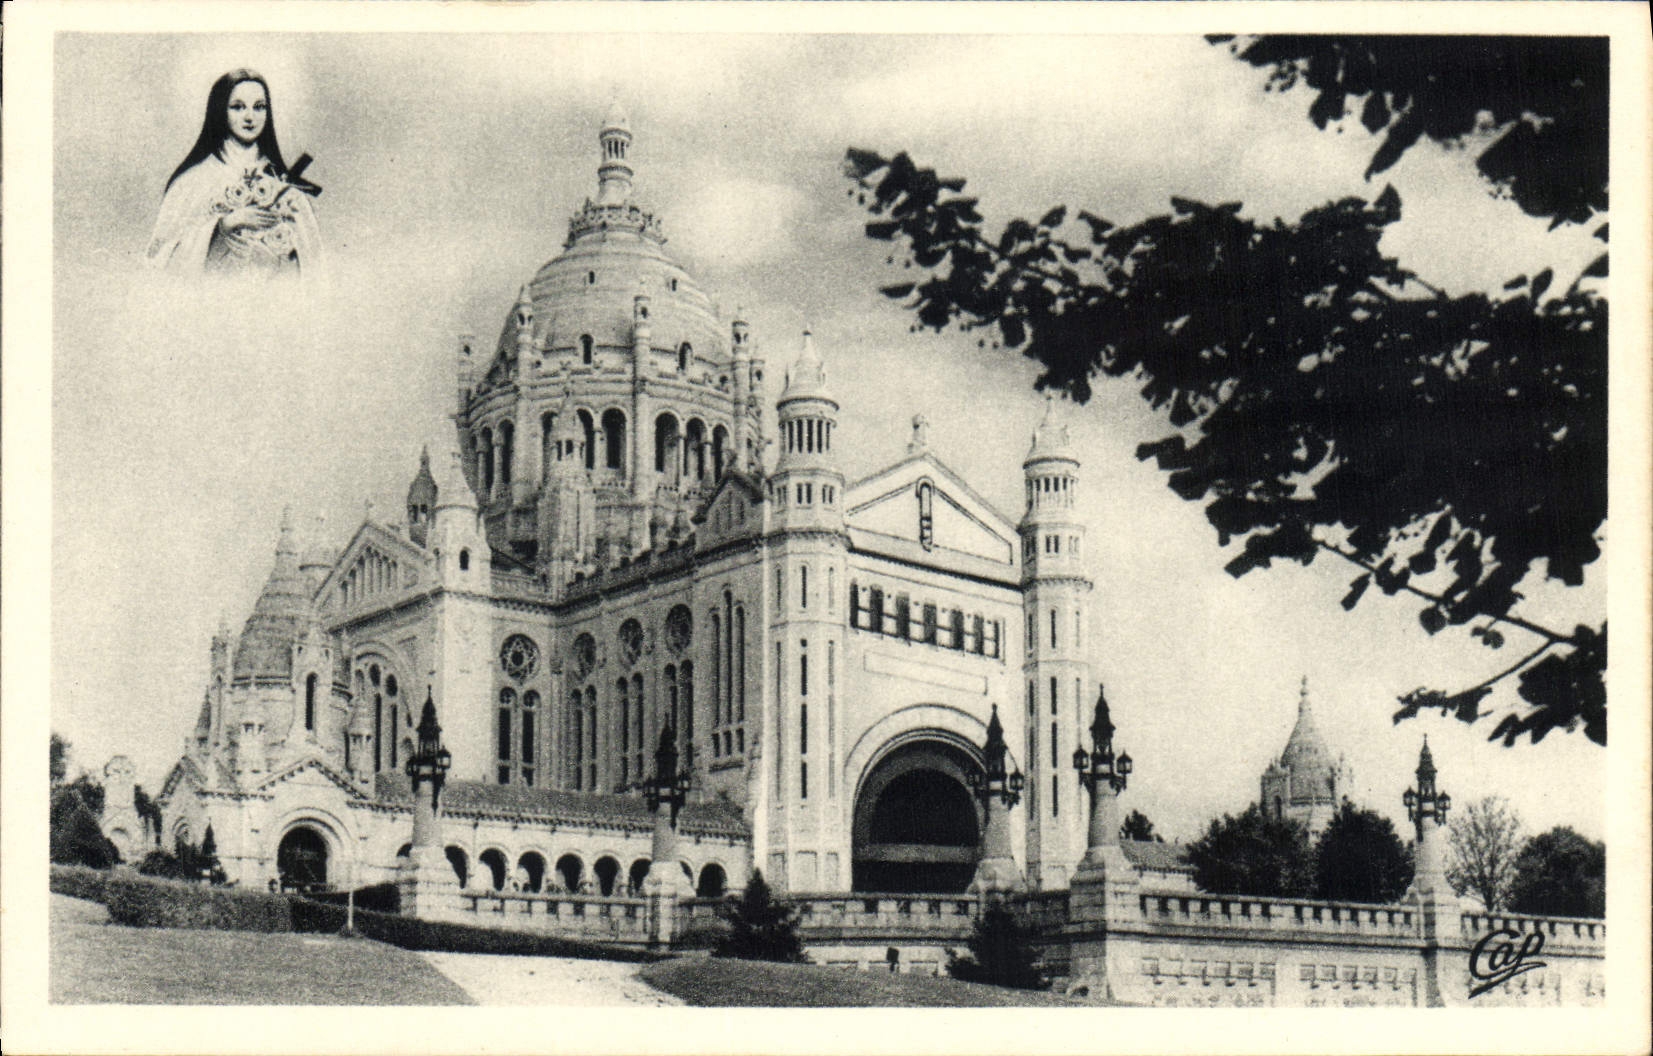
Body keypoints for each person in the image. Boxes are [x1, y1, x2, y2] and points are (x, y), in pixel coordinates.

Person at [147, 69, 321, 276]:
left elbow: (312, 268)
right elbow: (160, 263)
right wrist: (226, 225)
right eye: (238, 107)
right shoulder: (192, 182)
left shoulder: (285, 187)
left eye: (259, 107)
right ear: (220, 111)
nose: (250, 117)